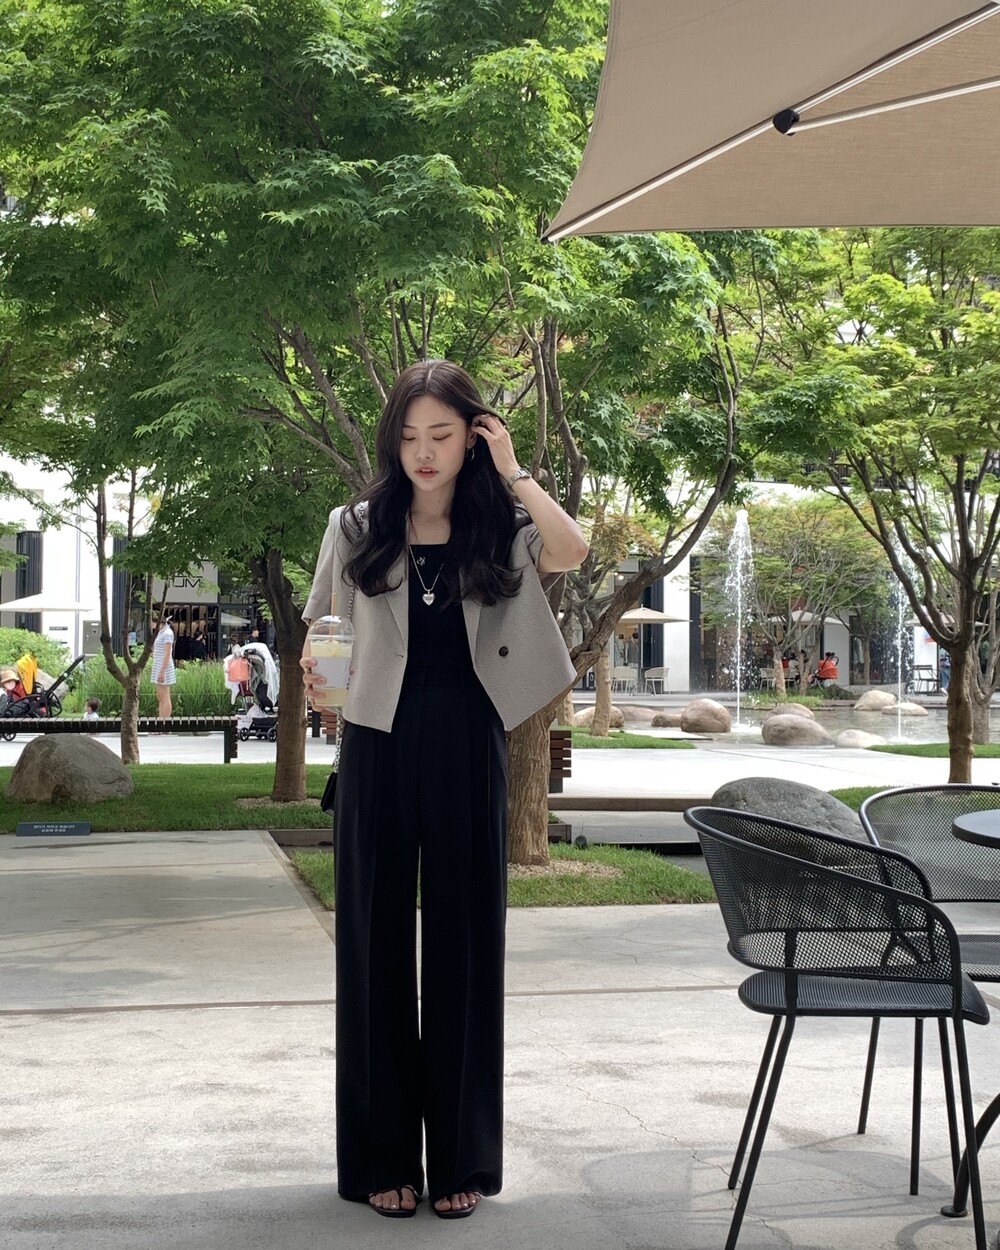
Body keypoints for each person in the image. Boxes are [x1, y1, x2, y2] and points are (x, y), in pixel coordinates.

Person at [300, 359, 587, 1221]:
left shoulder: (502, 525)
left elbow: (572, 551)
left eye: (443, 434)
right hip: (376, 740)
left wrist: (515, 471)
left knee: (466, 944)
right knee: (373, 944)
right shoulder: (355, 526)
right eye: (409, 436)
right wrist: (319, 674)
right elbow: (322, 625)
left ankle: (462, 1157)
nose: (424, 452)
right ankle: (380, 1158)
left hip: (468, 737)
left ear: (473, 437)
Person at [150, 615, 176, 717]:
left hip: (163, 667)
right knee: (160, 696)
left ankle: (165, 722)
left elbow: (167, 654)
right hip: (158, 665)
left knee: (165, 696)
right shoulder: (161, 632)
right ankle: (161, 721)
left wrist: (162, 672)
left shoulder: (167, 633)